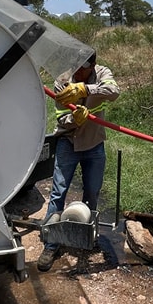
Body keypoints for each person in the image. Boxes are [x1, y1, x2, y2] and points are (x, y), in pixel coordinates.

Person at [37, 52, 120, 272]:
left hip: (94, 144)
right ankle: (51, 244)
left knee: (92, 193)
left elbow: (113, 92)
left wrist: (85, 89)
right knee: (58, 193)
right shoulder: (62, 80)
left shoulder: (103, 73)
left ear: (92, 66)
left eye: (82, 69)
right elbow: (61, 117)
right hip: (68, 142)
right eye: (75, 67)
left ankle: (86, 237)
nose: (77, 73)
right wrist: (74, 119)